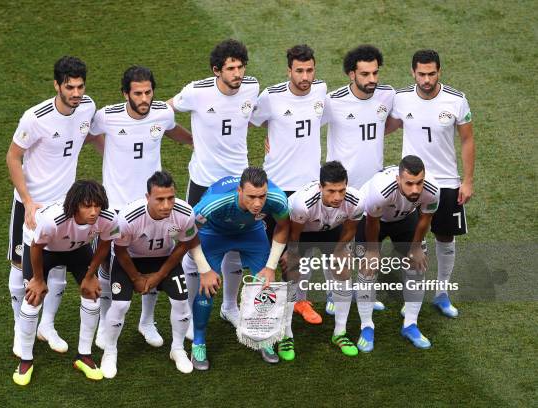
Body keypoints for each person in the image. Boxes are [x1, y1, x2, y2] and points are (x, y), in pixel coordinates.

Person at [89, 66, 192, 349]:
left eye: (148, 92)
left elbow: (172, 131)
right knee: (109, 267)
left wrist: (198, 143)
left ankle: (146, 321)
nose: (144, 98)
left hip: (152, 204)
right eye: (138, 93)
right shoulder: (106, 117)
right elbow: (87, 135)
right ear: (125, 94)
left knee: (154, 256)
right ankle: (103, 321)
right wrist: (107, 151)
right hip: (117, 207)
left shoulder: (162, 113)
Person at [6, 56, 100, 357]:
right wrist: (29, 200)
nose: (76, 93)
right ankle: (21, 330)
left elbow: (89, 137)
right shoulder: (35, 118)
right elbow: (12, 157)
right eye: (69, 87)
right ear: (57, 85)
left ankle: (47, 325)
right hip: (31, 207)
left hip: (66, 206)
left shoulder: (87, 107)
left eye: (80, 87)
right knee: (22, 268)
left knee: (59, 267)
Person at [168, 39, 260, 337]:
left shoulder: (252, 87)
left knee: (234, 250)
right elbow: (164, 112)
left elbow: (259, 118)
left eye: (241, 66)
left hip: (238, 184)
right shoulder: (196, 92)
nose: (238, 73)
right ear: (216, 70)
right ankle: (191, 311)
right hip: (204, 184)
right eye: (231, 68)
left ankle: (229, 307)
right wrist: (187, 139)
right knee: (193, 248)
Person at [388, 49, 475, 318]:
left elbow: (467, 140)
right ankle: (411, 297)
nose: (427, 79)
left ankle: (442, 293)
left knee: (445, 236)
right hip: (412, 184)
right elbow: (383, 127)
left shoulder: (457, 100)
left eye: (432, 73)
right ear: (413, 72)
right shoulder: (401, 99)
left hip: (447, 181)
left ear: (439, 72)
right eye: (422, 74)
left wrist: (468, 181)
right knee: (412, 239)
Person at [13, 180, 120, 386]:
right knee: (33, 298)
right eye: (87, 206)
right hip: (44, 250)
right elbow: (36, 247)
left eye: (97, 205)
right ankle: (26, 360)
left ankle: (84, 356)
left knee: (93, 293)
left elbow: (106, 243)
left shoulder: (107, 217)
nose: (94, 211)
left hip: (77, 249)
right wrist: (37, 279)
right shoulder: (53, 220)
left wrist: (90, 275)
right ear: (75, 205)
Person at [251, 44, 327, 325]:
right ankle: (266, 306)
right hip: (277, 188)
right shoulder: (271, 97)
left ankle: (300, 300)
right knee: (270, 250)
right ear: (289, 71)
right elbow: (249, 121)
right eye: (299, 70)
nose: (305, 76)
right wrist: (268, 139)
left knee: (301, 250)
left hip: (309, 187)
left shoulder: (321, 91)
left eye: (309, 70)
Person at [189, 167, 290, 369]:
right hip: (213, 233)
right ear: (239, 191)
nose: (258, 203)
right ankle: (198, 341)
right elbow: (187, 232)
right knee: (206, 289)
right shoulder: (214, 202)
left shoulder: (277, 198)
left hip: (250, 233)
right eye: (251, 197)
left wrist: (270, 267)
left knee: (265, 286)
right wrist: (204, 269)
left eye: (262, 196)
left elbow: (283, 226)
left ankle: (264, 337)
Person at [100, 171, 196, 377]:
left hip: (164, 258)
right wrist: (136, 278)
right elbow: (120, 250)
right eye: (159, 199)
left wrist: (158, 276)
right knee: (120, 304)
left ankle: (177, 349)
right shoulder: (127, 217)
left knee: (181, 301)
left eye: (170, 198)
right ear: (147, 198)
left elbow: (184, 245)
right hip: (130, 259)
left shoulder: (185, 213)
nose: (166, 205)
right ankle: (110, 351)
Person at [322, 45, 394, 314]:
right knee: (339, 244)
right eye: (365, 74)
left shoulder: (386, 96)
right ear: (351, 74)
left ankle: (366, 291)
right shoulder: (333, 100)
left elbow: (394, 121)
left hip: (372, 184)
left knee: (366, 242)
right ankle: (334, 293)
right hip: (342, 188)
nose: (372, 79)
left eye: (375, 72)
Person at [355, 156, 440, 351]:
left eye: (419, 183)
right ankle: (366, 326)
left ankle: (410, 324)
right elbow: (372, 222)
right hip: (371, 219)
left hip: (405, 218)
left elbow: (425, 218)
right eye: (409, 184)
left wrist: (416, 247)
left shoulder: (433, 189)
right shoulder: (380, 191)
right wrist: (372, 251)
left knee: (418, 266)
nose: (415, 189)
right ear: (398, 179)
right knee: (367, 269)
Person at [282, 161, 364, 359]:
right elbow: (294, 235)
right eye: (330, 191)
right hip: (302, 233)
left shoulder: (356, 200)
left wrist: (339, 252)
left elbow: (351, 229)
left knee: (343, 268)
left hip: (331, 230)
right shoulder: (302, 203)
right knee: (292, 271)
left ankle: (340, 333)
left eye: (341, 190)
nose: (337, 197)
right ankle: (286, 335)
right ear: (320, 187)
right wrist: (291, 254)